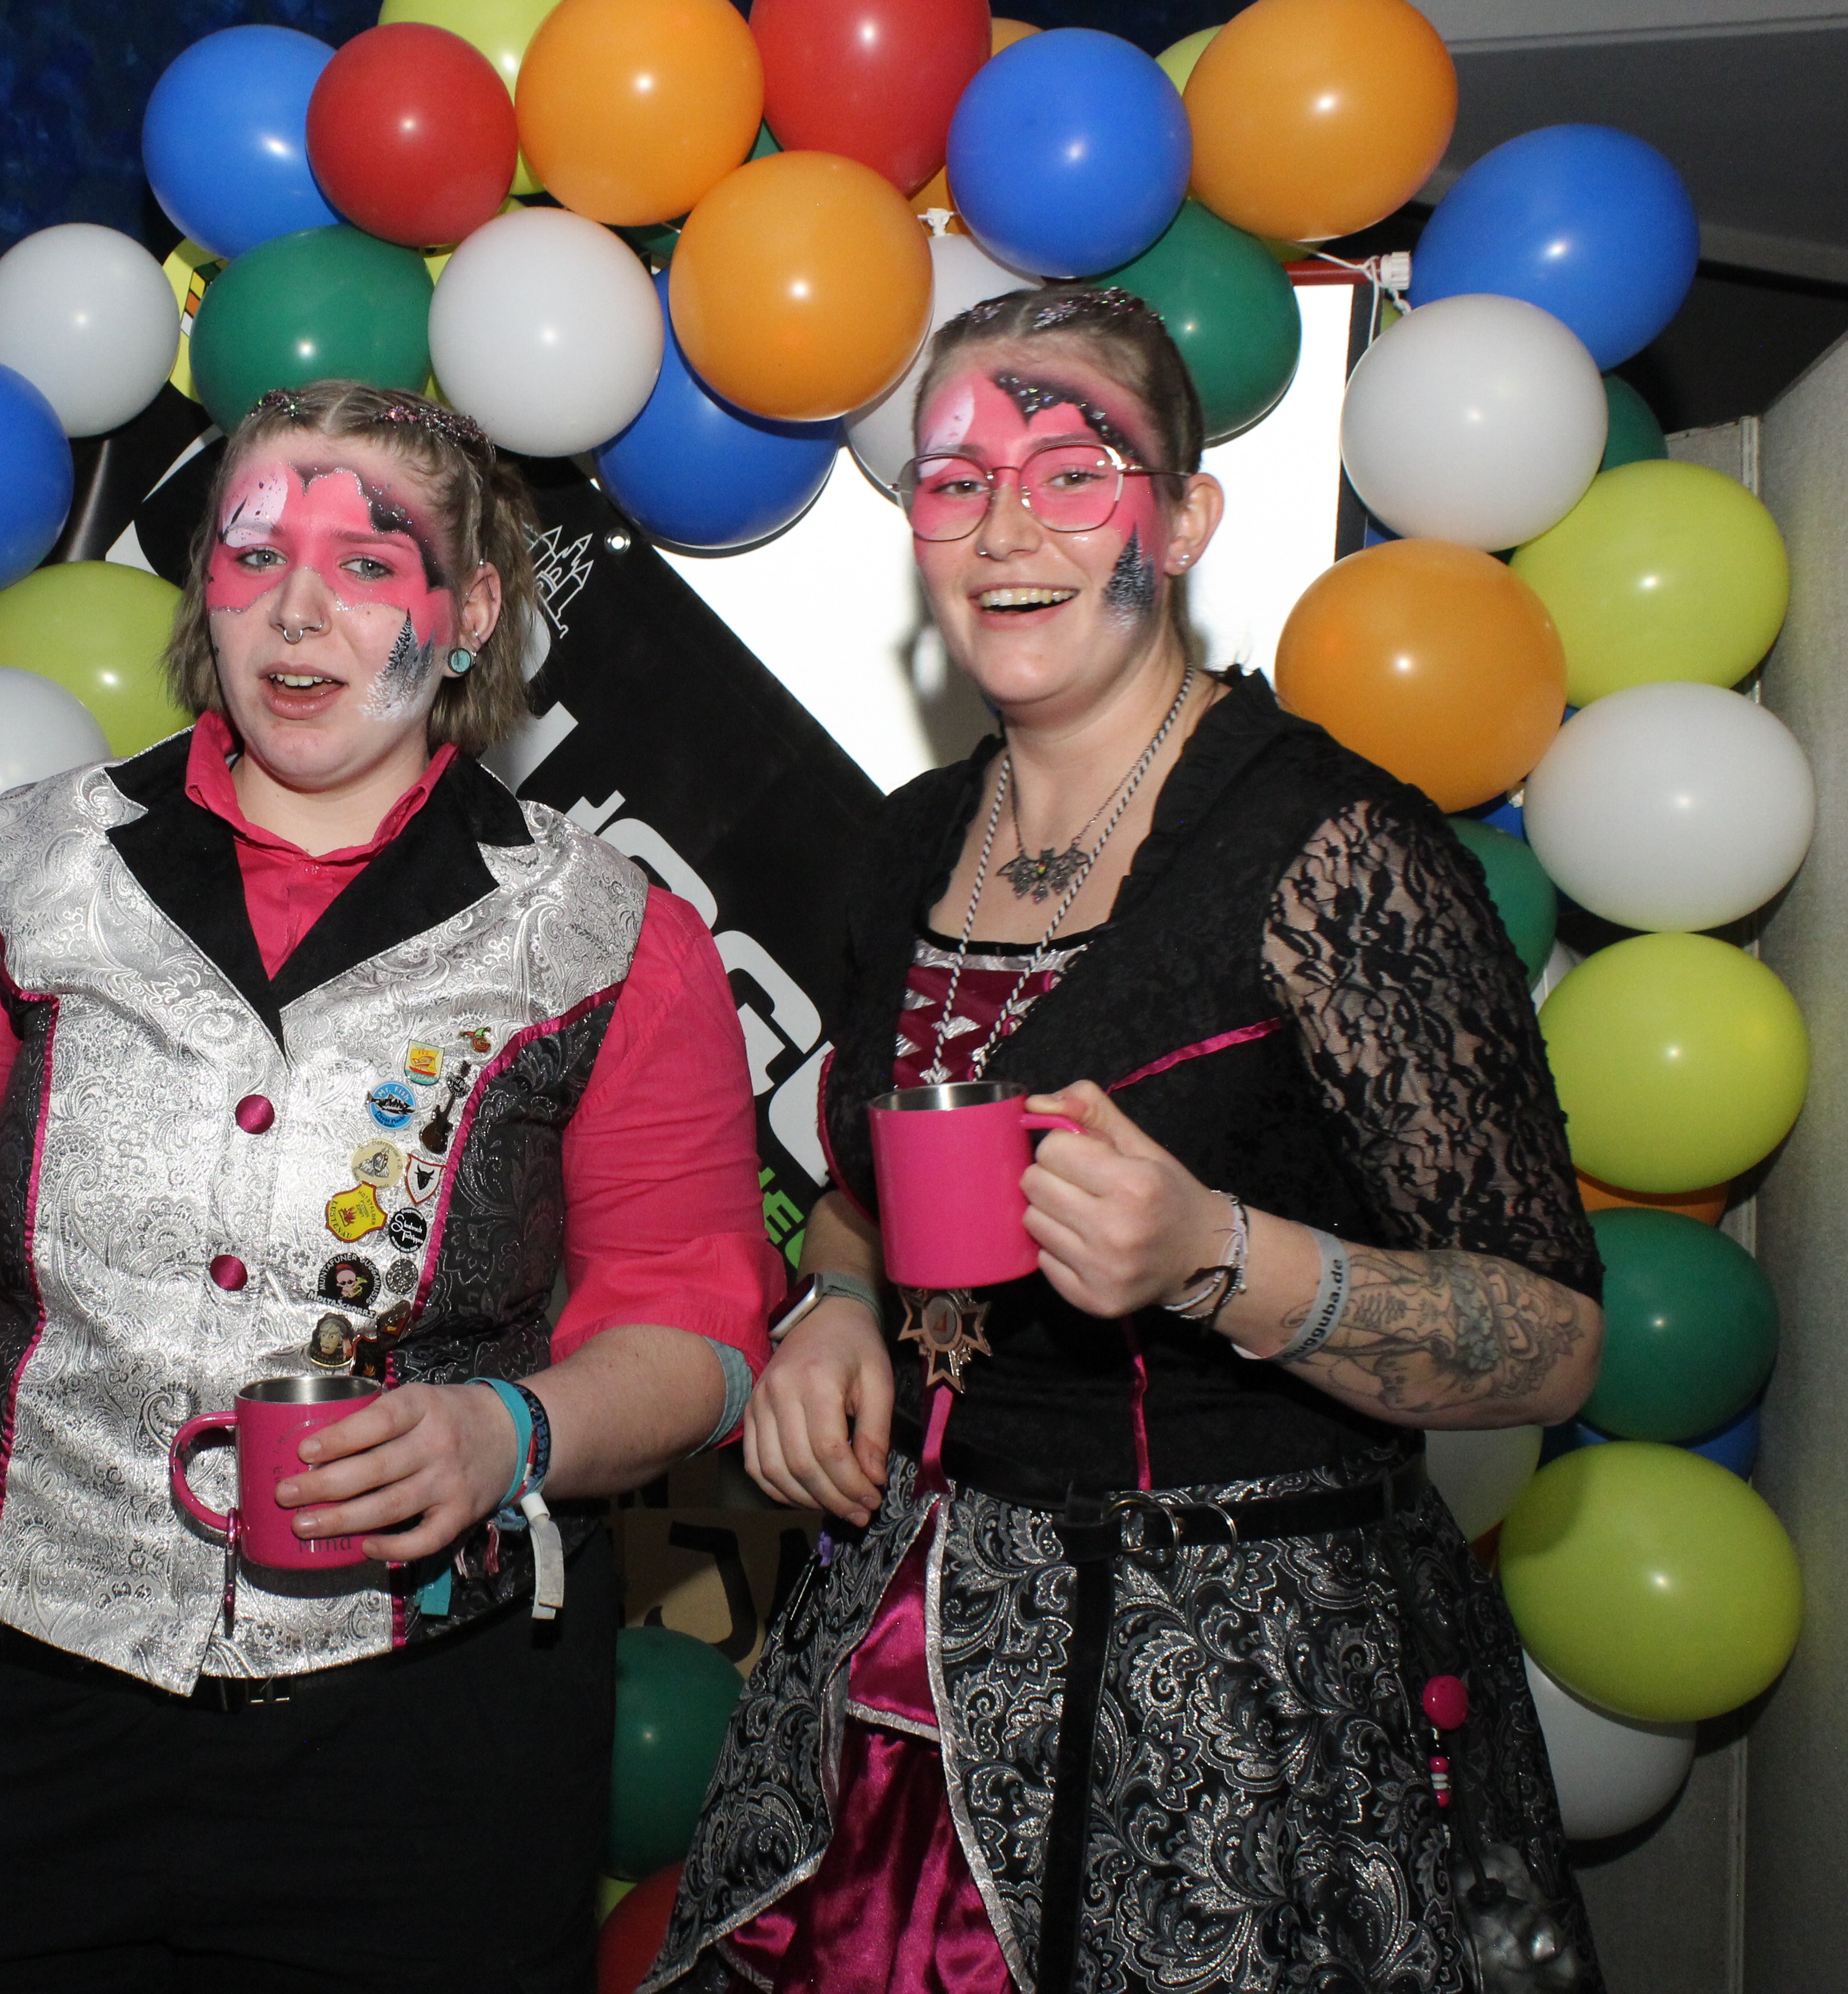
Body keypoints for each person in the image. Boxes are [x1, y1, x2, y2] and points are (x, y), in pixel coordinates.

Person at [0, 378, 788, 1990]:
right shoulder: (24, 869)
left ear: (474, 611)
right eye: (254, 554)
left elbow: (699, 1330)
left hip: (422, 1759)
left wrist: (512, 1432)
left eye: (370, 565)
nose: (299, 611)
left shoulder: (609, 939)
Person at [651, 288, 1609, 1994]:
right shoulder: (908, 845)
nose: (1005, 529)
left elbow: (1550, 1342)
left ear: (1183, 518)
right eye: (956, 481)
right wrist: (837, 1306)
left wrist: (1221, 1259)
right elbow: (874, 1192)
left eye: (1073, 474)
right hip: (899, 1650)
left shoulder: (1329, 849)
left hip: (1240, 1692)